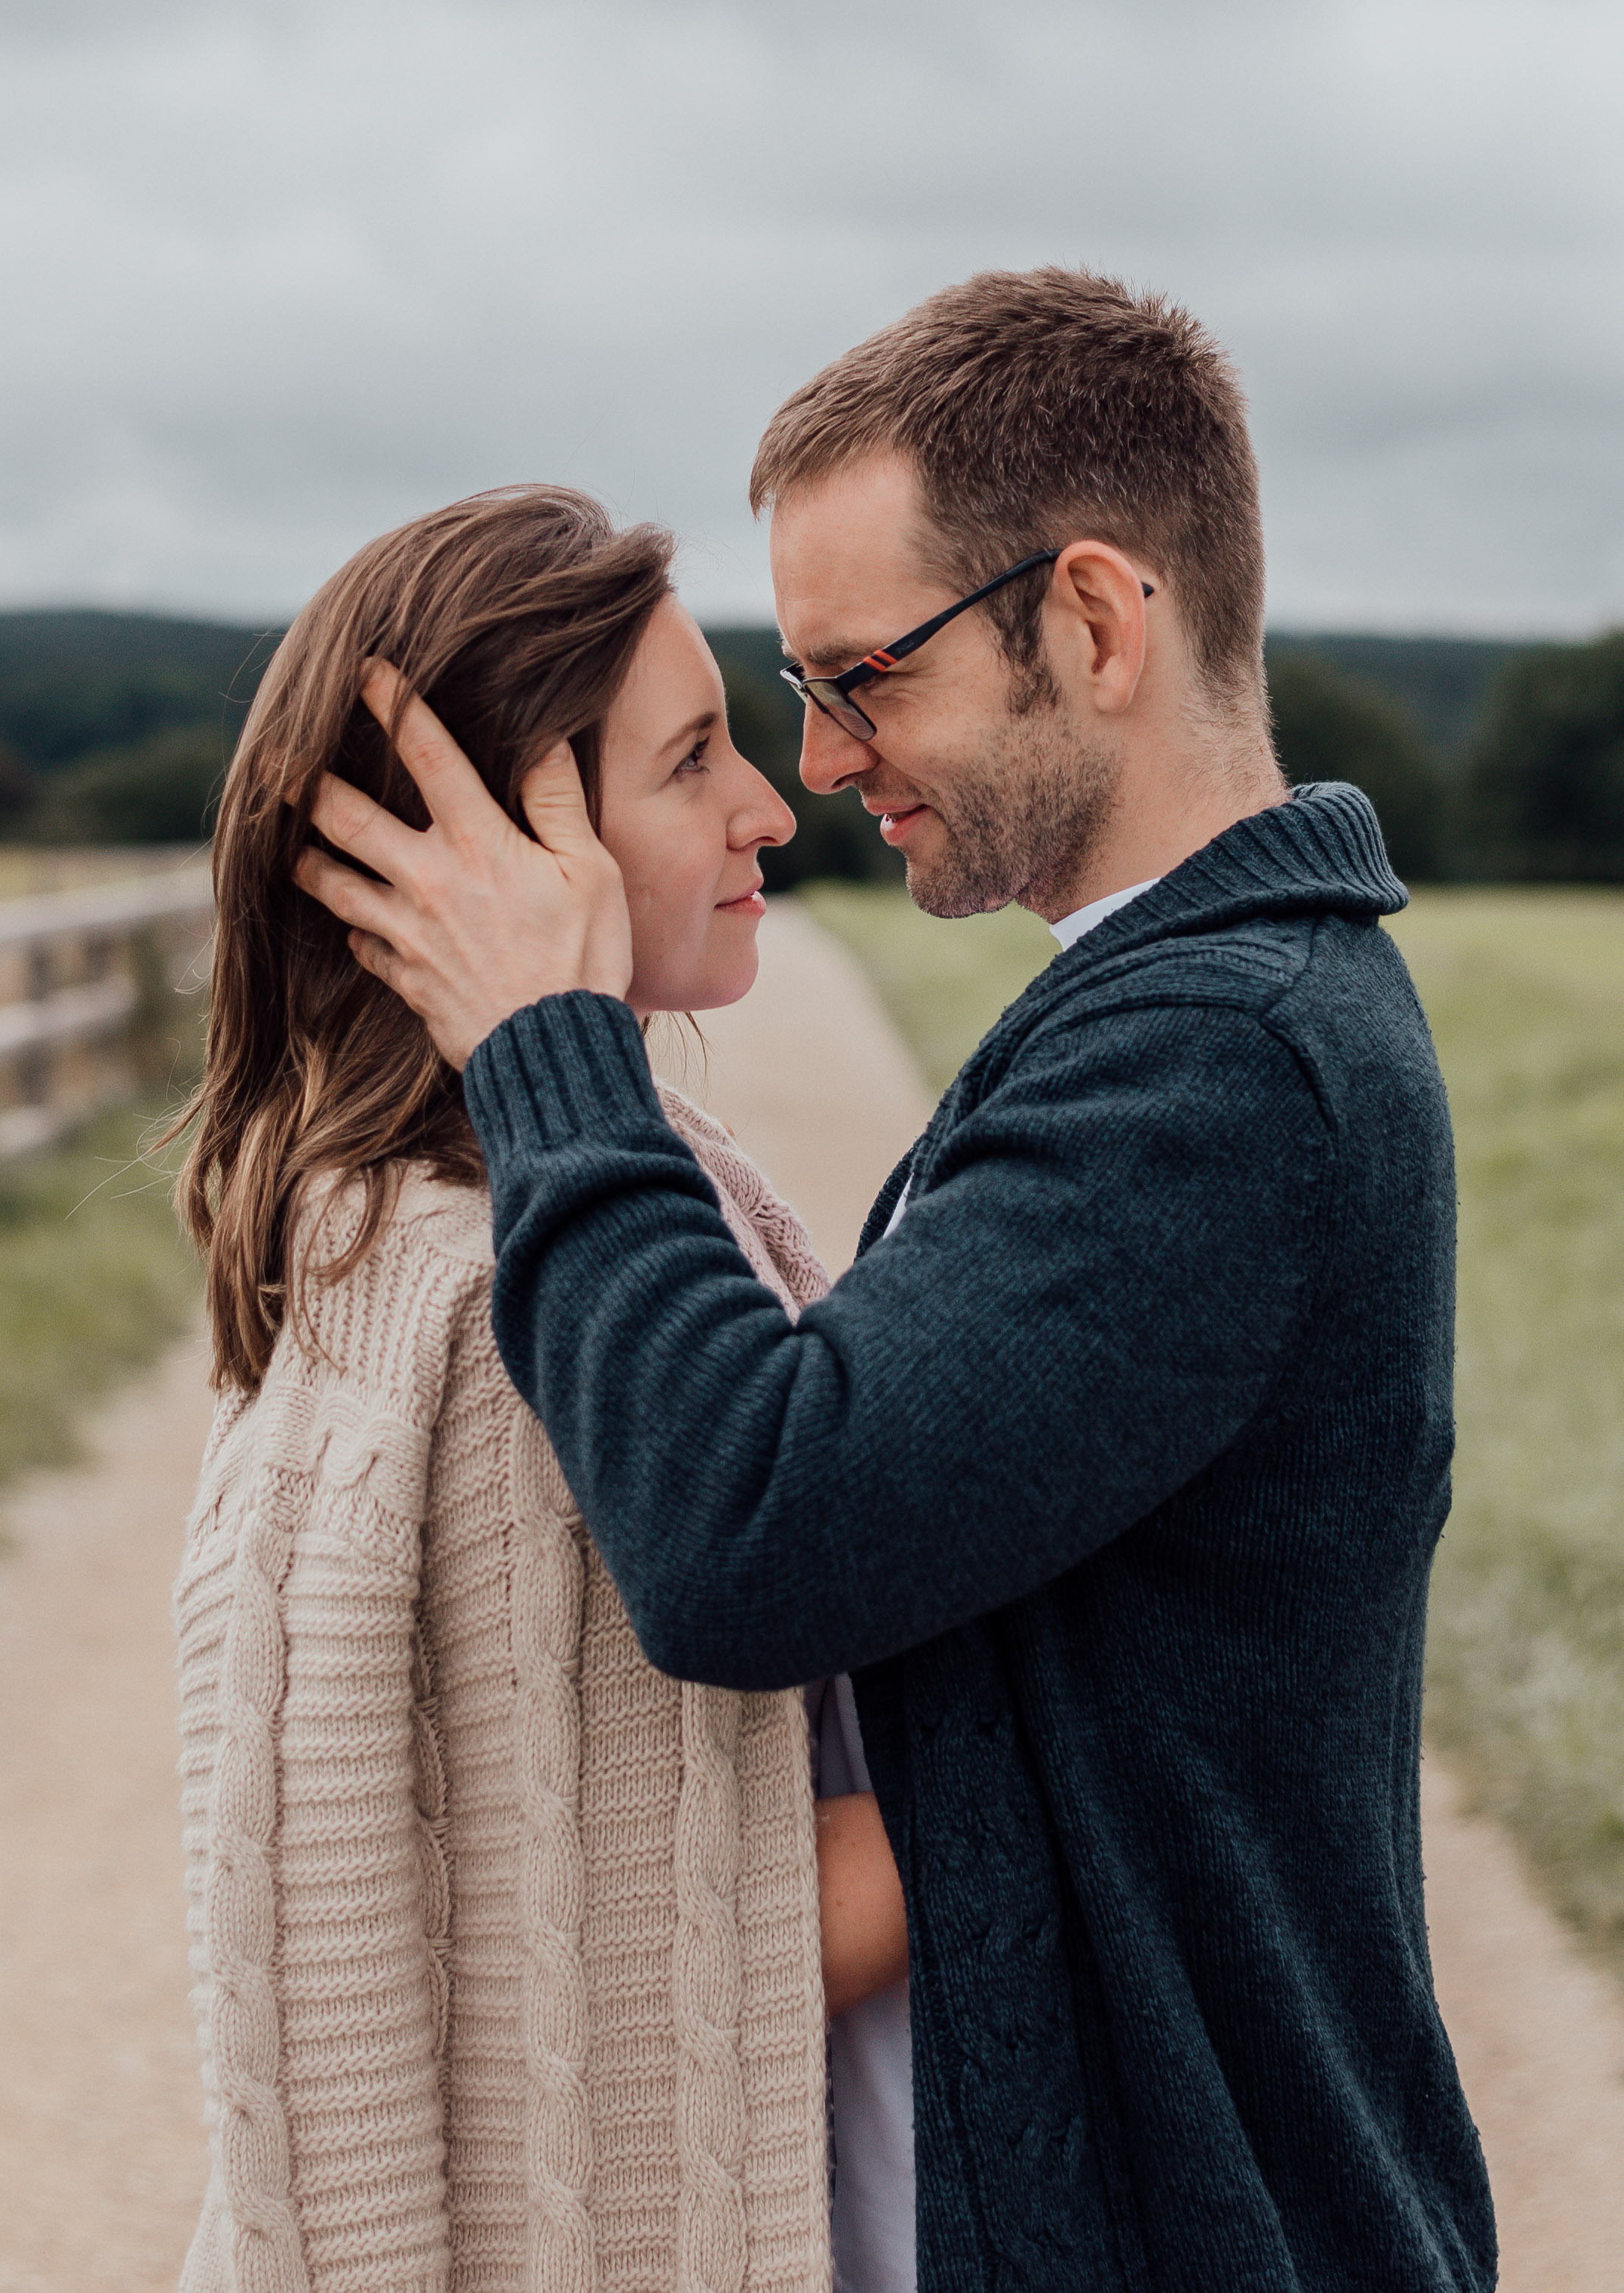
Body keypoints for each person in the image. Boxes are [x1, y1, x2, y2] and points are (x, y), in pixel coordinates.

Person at [296, 272, 1500, 2293]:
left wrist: (546, 1049)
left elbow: (748, 1529)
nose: (819, 756)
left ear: (1097, 621)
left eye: (863, 672)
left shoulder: (1221, 1060)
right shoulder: (1171, 1003)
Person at [169, 487, 907, 2293]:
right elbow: (620, 1965)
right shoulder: (486, 1311)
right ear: (505, 848)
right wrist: (1110, 1743)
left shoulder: (636, 1184)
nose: (766, 802)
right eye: (689, 762)